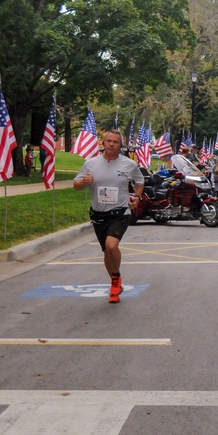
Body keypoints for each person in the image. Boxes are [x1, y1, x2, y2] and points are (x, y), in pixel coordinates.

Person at [73, 130, 145, 304]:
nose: (112, 144)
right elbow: (76, 184)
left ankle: (116, 277)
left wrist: (137, 197)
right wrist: (83, 182)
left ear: (120, 146)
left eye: (116, 142)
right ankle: (115, 281)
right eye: (109, 141)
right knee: (107, 252)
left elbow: (139, 182)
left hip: (120, 212)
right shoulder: (91, 164)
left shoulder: (129, 164)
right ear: (103, 143)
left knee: (111, 245)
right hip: (99, 213)